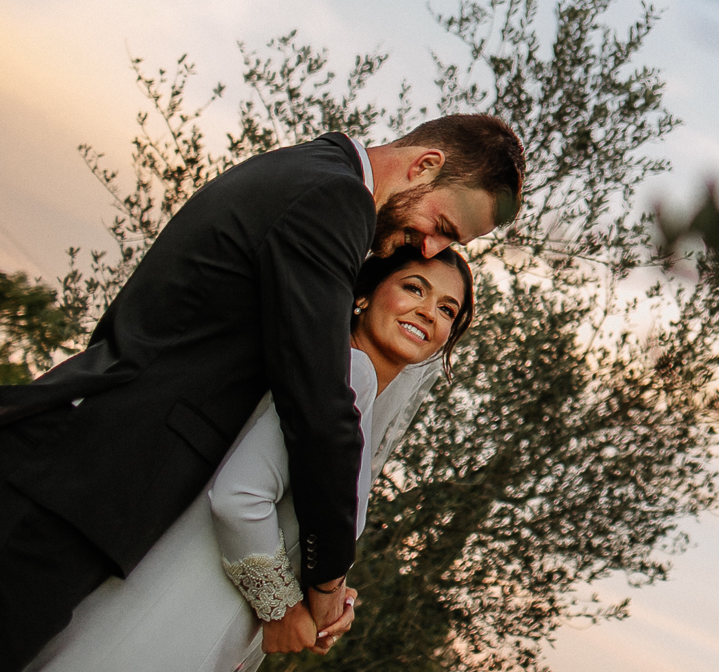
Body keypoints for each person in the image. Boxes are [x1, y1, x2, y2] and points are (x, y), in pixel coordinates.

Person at [0, 116, 523, 672]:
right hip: (80, 480)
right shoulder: (336, 197)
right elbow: (318, 406)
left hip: (86, 475)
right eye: (441, 225)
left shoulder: (310, 169)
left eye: (449, 243)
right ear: (424, 165)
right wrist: (326, 584)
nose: (431, 245)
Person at [27, 246, 476, 671]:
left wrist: (330, 597)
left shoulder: (334, 377)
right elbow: (239, 498)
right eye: (414, 288)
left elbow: (300, 528)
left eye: (446, 310)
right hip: (173, 613)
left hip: (182, 610)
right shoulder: (349, 373)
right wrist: (281, 608)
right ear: (364, 295)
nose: (428, 311)